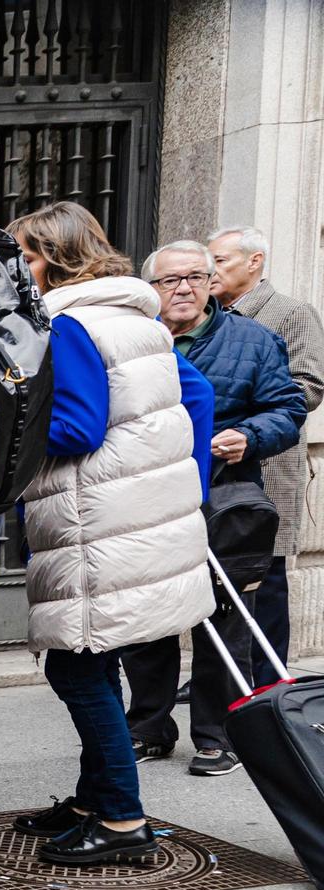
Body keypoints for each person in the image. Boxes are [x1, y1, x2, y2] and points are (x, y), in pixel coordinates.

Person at [4, 203, 216, 866]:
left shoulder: (67, 322)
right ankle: (97, 798)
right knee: (93, 660)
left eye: (25, 257)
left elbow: (78, 427)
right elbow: (198, 393)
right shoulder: (133, 318)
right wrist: (183, 490)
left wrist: (11, 425)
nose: (17, 270)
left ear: (55, 258)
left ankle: (123, 819)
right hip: (124, 518)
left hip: (95, 523)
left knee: (76, 663)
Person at [119, 240, 307, 776]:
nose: (183, 289)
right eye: (169, 280)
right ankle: (148, 726)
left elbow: (287, 407)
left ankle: (218, 736)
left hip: (223, 499)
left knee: (222, 620)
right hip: (147, 501)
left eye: (195, 278)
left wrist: (248, 435)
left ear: (210, 284)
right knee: (148, 618)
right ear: (150, 288)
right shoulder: (136, 341)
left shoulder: (252, 338)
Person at [209, 225, 324, 685]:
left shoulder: (291, 312)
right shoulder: (207, 315)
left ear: (254, 262)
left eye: (220, 261)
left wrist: (247, 414)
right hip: (215, 467)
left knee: (265, 575)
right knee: (216, 578)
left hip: (270, 465)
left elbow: (309, 386)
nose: (210, 270)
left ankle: (270, 684)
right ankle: (218, 675)